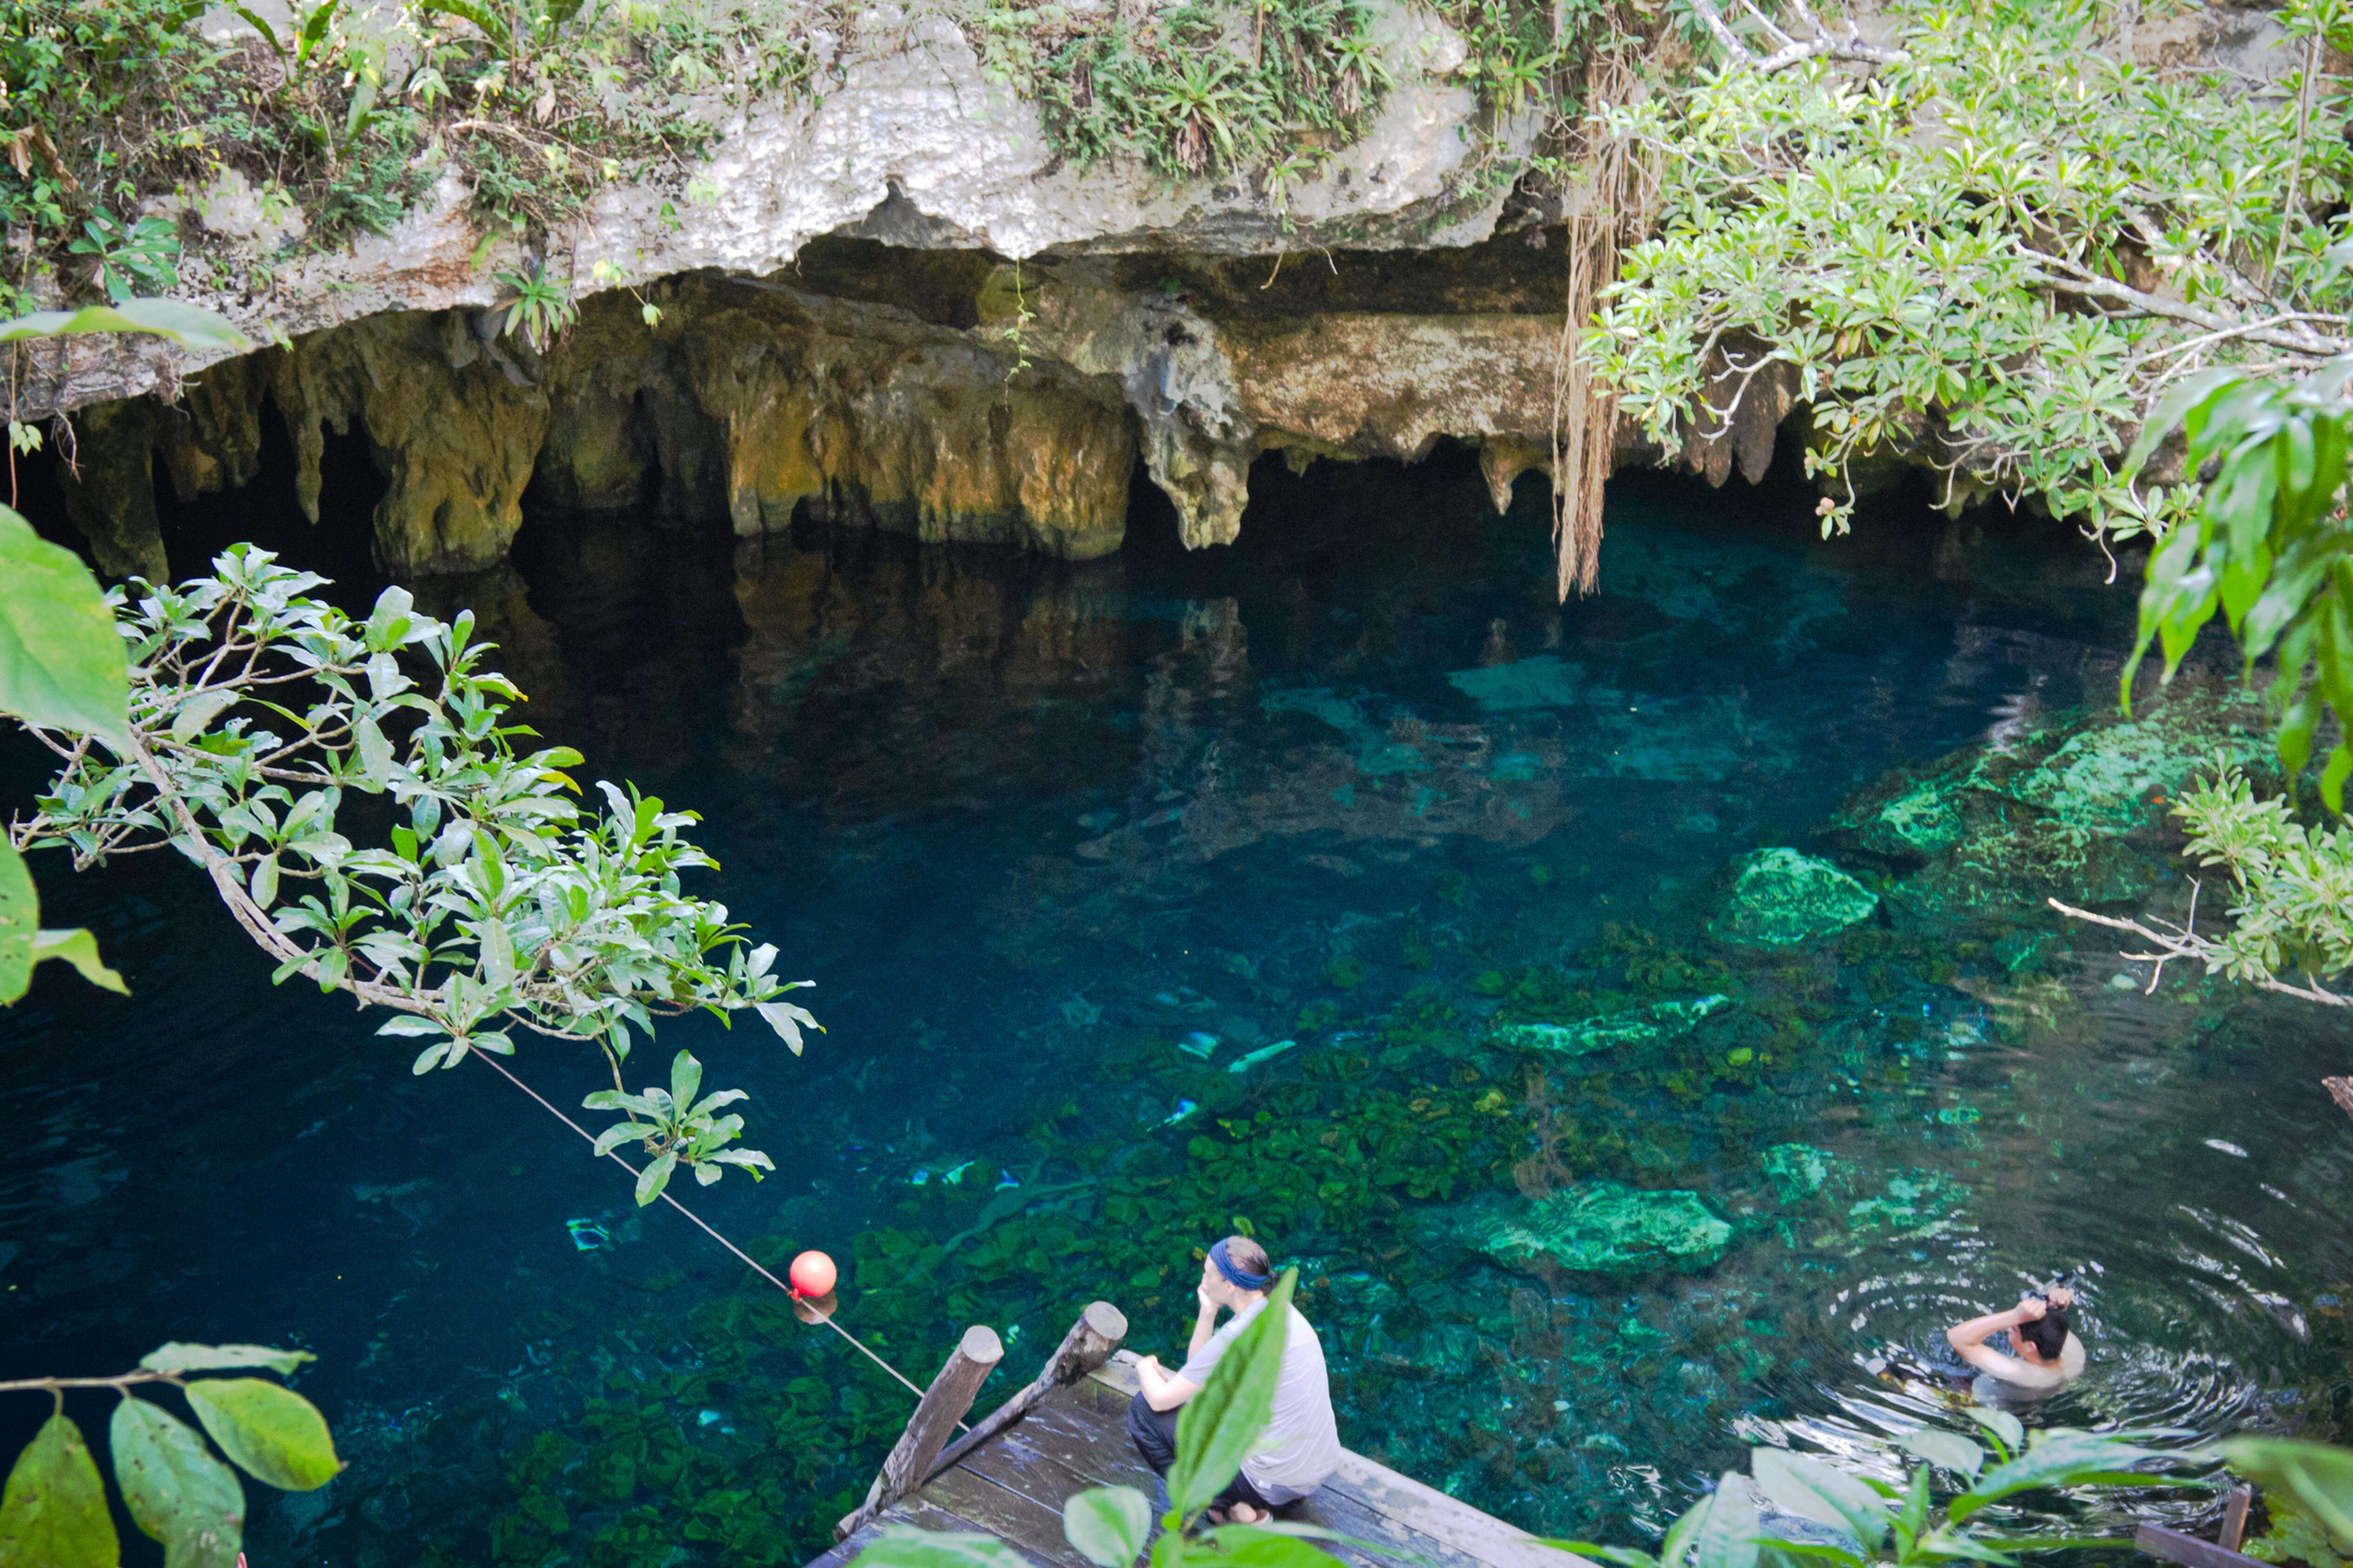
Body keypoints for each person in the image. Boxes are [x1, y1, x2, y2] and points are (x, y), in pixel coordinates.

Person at [1125, 1234, 1341, 1524]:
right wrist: (1208, 1311)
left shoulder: (1238, 1335)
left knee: (1143, 1411)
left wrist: (1144, 1366)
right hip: (1313, 1472)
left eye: (1208, 1274)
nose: (1203, 1279)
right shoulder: (1282, 1312)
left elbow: (1162, 1400)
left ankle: (1224, 1506)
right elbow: (1198, 1373)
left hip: (1270, 1484)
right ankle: (1241, 1503)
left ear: (1229, 1285)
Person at [1945, 1282, 2083, 1391]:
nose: (2008, 1328)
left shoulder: (2025, 1374)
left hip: (2001, 1409)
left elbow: (1956, 1338)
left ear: (2030, 1347)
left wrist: (2015, 1316)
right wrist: (2055, 1305)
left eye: (2014, 1328)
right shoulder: (2074, 1352)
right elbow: (2053, 1323)